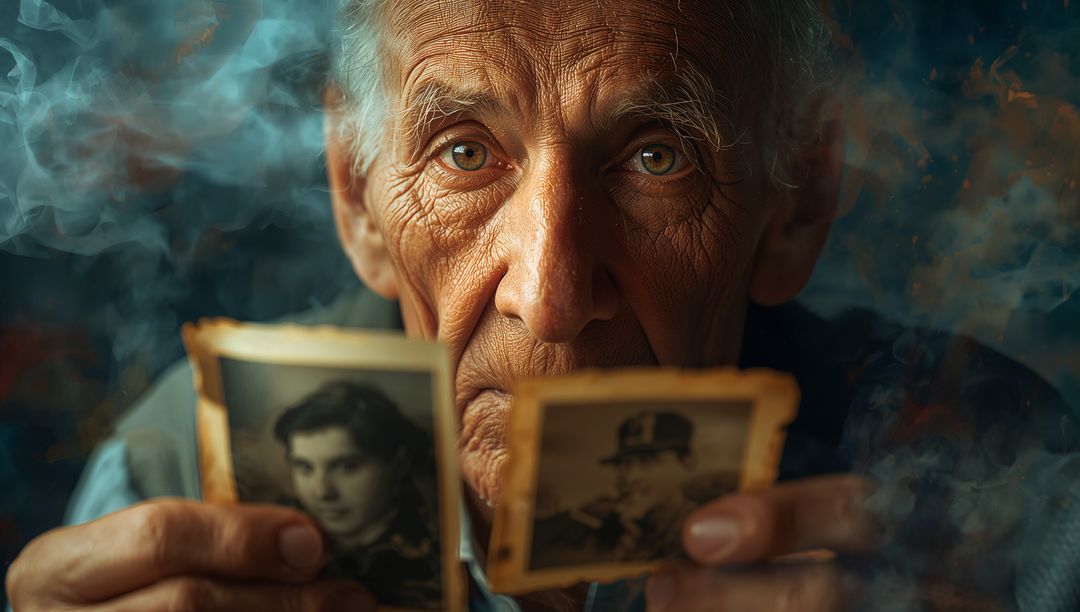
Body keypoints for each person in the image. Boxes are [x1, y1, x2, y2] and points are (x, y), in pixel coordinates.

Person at [6, 1, 1077, 611]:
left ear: (796, 201)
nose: (553, 298)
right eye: (465, 153)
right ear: (358, 199)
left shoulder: (997, 494)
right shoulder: (178, 484)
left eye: (656, 156)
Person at [272, 381, 442, 609]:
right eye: (305, 468)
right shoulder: (277, 529)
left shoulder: (435, 552)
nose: (322, 492)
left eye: (347, 467)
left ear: (398, 463)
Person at [532, 411, 737, 569]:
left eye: (647, 462)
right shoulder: (609, 525)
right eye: (623, 465)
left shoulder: (710, 524)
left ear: (686, 462)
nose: (629, 478)